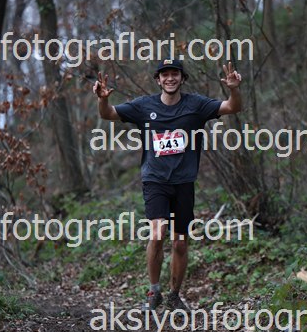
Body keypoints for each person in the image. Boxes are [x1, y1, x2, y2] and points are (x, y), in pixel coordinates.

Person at [93, 59, 242, 311]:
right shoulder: (143, 106)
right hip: (155, 179)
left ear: (182, 78)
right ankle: (154, 291)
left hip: (184, 182)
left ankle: (174, 295)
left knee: (180, 242)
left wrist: (234, 89)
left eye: (175, 74)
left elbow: (233, 107)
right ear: (158, 80)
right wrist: (102, 99)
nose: (170, 78)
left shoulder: (196, 105)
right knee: (157, 232)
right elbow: (107, 114)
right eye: (165, 75)